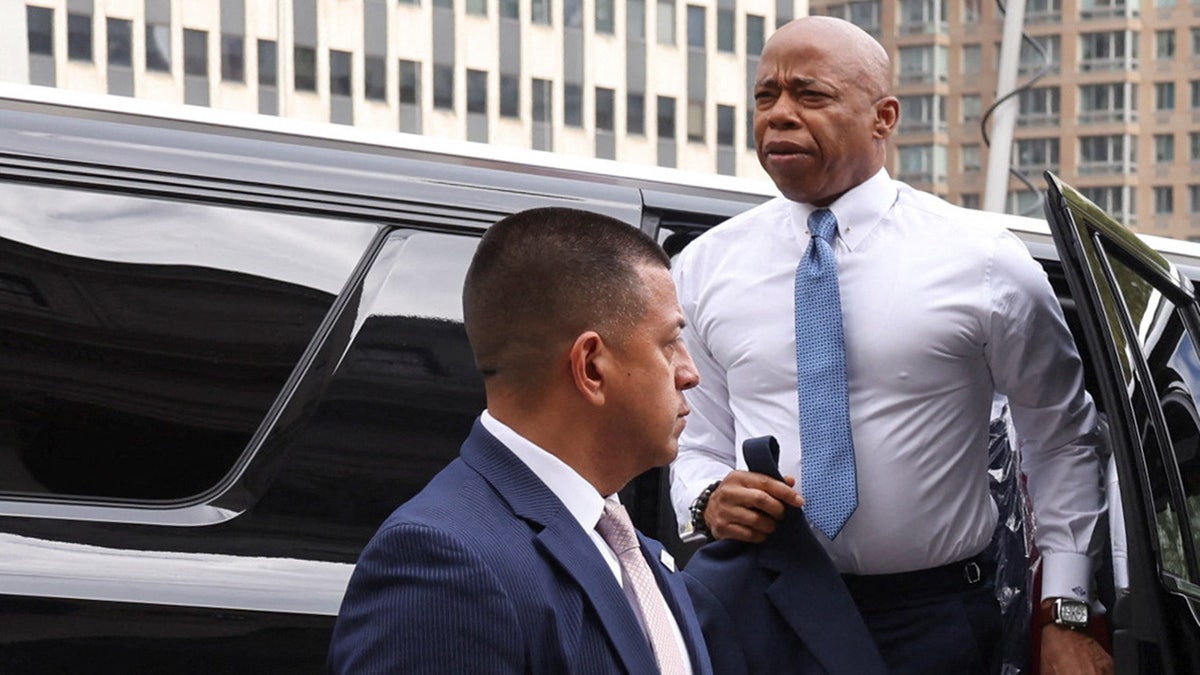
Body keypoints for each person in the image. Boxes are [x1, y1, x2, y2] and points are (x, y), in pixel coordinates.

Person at [670, 16, 1113, 675]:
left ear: (883, 117)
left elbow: (1062, 440)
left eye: (810, 95)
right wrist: (706, 498)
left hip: (935, 616)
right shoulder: (704, 269)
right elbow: (691, 442)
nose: (780, 116)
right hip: (764, 605)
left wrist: (1066, 611)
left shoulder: (985, 262)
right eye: (766, 97)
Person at [329, 206, 713, 674]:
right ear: (591, 366)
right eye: (670, 341)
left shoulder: (637, 552)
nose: (690, 373)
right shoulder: (446, 563)